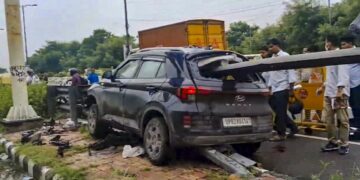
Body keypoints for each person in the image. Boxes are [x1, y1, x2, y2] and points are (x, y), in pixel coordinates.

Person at [317, 35, 350, 155]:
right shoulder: (329, 56)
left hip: (339, 93)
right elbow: (331, 76)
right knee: (329, 119)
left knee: (342, 120)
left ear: (329, 43)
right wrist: (322, 87)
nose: (325, 45)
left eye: (325, 42)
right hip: (329, 93)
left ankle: (344, 144)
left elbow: (343, 75)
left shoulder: (340, 55)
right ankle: (332, 142)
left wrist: (340, 91)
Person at [266, 38, 298, 141]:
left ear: (277, 45)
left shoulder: (285, 56)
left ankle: (281, 134)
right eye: (269, 47)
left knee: (280, 112)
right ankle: (293, 127)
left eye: (271, 46)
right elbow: (272, 75)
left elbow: (291, 73)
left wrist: (291, 89)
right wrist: (270, 88)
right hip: (274, 89)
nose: (270, 49)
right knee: (279, 111)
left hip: (283, 88)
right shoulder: (272, 57)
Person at [340, 34, 360, 129]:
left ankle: (358, 126)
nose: (342, 47)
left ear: (350, 43)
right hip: (347, 84)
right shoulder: (343, 54)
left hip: (357, 83)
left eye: (344, 44)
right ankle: (354, 125)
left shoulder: (357, 52)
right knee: (350, 105)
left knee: (357, 105)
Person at [300, 45, 324, 121]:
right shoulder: (303, 61)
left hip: (317, 84)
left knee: (317, 101)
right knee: (306, 101)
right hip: (305, 83)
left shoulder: (320, 61)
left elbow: (321, 73)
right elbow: (300, 72)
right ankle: (307, 118)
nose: (306, 53)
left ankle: (319, 119)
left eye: (308, 52)